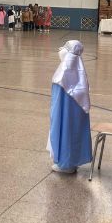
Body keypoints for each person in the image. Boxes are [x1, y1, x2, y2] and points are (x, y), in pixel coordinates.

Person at [48, 40, 93, 173]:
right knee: (74, 130)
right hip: (75, 115)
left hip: (65, 115)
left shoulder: (62, 77)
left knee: (65, 129)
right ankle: (73, 160)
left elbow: (58, 106)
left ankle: (65, 163)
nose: (60, 52)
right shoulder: (80, 75)